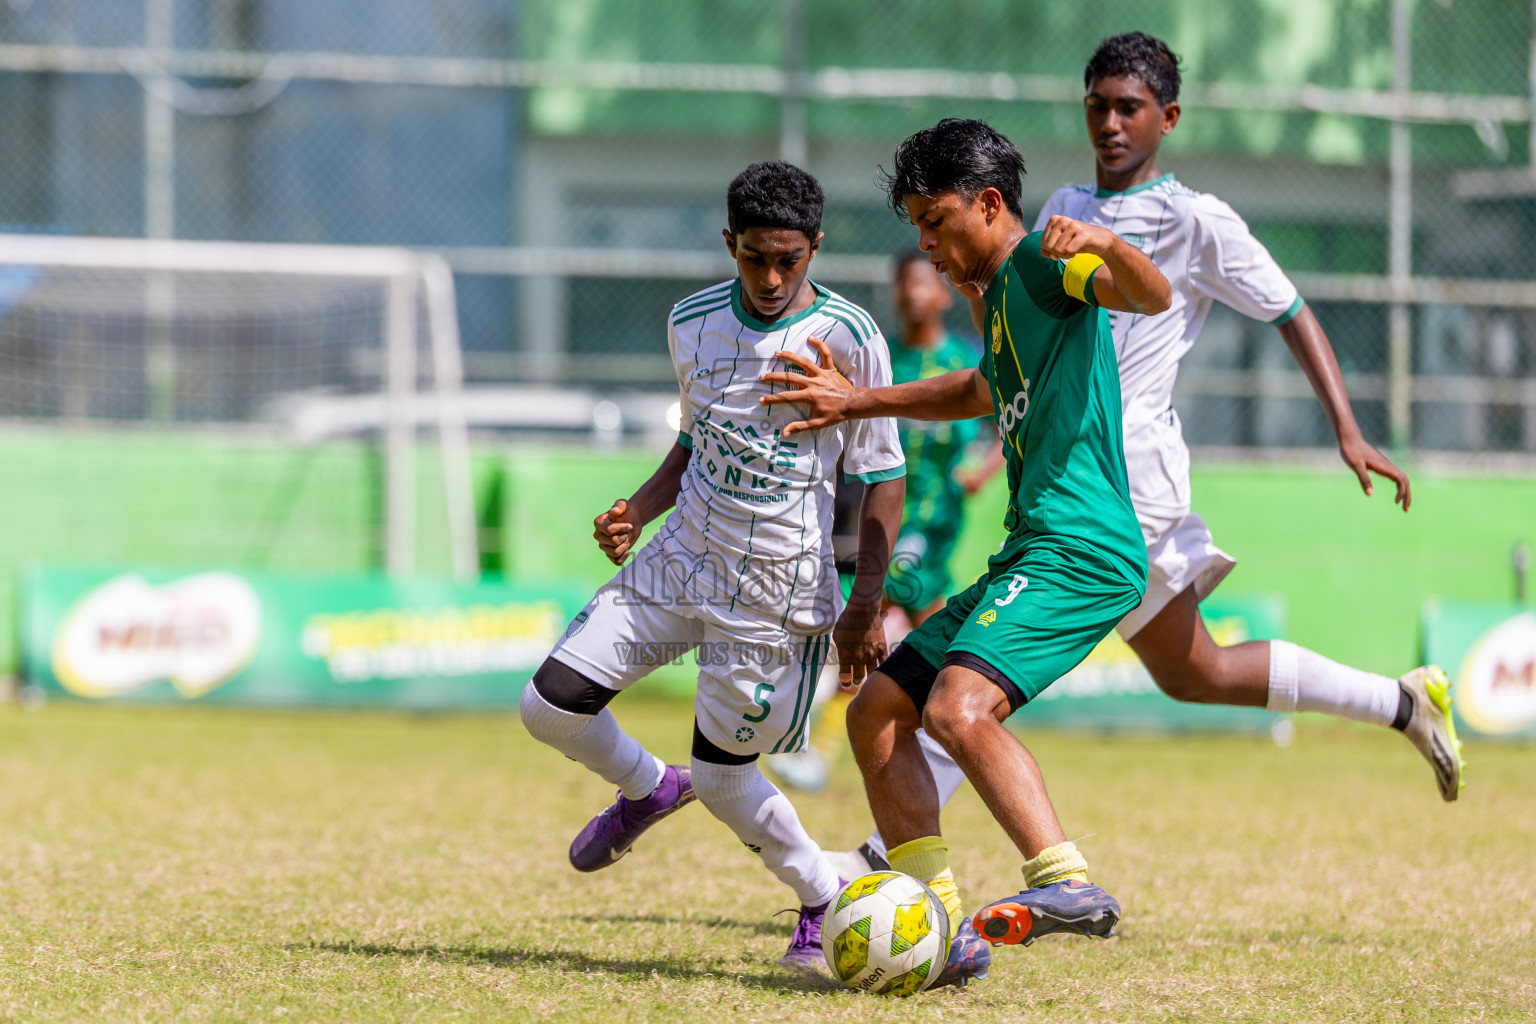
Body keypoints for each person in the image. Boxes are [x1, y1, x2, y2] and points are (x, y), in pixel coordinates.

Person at [832, 31, 1466, 895]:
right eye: (1096, 104)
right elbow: (996, 376)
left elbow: (1286, 309)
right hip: (1060, 473)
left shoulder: (1194, 218)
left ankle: (934, 854)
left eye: (1129, 107)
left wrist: (1347, 427)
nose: (1109, 122)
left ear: (1168, 117)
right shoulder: (1047, 218)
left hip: (1127, 481)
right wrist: (866, 399)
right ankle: (1400, 701)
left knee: (977, 680)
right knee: (1192, 670)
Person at [518, 161, 990, 985]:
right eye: (754, 259)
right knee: (548, 705)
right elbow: (696, 440)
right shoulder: (691, 320)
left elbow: (881, 475)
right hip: (677, 561)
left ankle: (818, 899)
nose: (771, 279)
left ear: (815, 246)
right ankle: (646, 789)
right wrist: (641, 505)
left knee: (725, 777)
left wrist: (865, 604)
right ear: (728, 243)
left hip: (774, 592)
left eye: (789, 260)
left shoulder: (850, 337)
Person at [761, 117, 1172, 953]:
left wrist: (1101, 241)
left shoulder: (1043, 264)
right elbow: (983, 389)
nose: (924, 243)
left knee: (956, 707)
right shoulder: (998, 302)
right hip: (1031, 550)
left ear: (987, 203)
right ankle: (937, 921)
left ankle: (1066, 883)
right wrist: (859, 399)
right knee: (878, 711)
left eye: (933, 220)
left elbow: (1150, 295)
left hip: (1081, 550)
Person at [765, 253, 993, 794]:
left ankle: (814, 745)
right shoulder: (883, 360)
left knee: (865, 622)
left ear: (942, 292)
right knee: (940, 639)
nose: (913, 293)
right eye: (903, 283)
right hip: (883, 514)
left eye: (923, 282)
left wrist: (983, 470)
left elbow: (1010, 414)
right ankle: (958, 742)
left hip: (932, 520)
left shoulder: (965, 357)